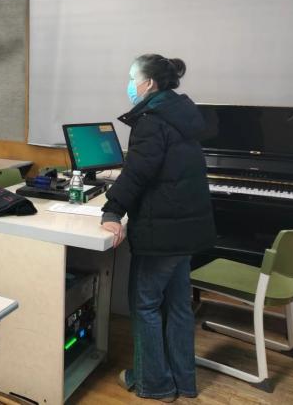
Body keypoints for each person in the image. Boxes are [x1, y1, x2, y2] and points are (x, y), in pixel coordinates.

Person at [101, 55, 215, 402]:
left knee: (146, 305)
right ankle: (183, 381)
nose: (129, 85)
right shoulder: (180, 115)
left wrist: (112, 209)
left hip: (162, 232)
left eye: (132, 78)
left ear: (149, 83)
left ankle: (155, 384)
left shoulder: (152, 120)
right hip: (185, 229)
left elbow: (138, 172)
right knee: (178, 306)